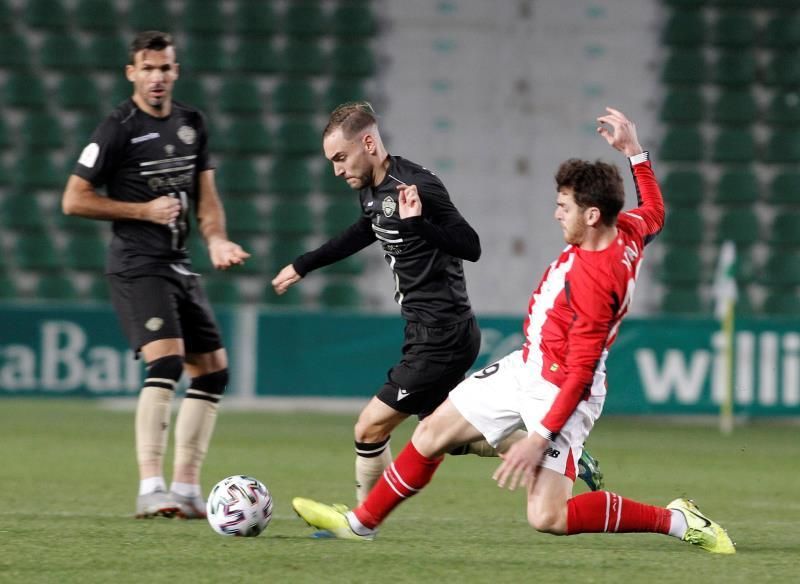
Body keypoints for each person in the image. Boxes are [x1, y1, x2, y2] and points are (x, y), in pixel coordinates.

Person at [292, 108, 736, 554]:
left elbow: (580, 373)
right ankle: (361, 523)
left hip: (559, 388)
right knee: (430, 435)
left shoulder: (597, 283)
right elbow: (655, 211)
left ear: (593, 214)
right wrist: (634, 151)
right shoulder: (627, 230)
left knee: (548, 517)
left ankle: (677, 520)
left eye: (565, 207)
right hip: (527, 366)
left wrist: (538, 439)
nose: (556, 214)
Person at [273, 102, 603, 504]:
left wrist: (418, 225)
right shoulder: (373, 192)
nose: (337, 170)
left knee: (369, 428)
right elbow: (365, 230)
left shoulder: (418, 186)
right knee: (440, 430)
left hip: (443, 334)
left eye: (341, 158)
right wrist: (304, 264)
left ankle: (360, 522)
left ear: (368, 142)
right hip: (426, 330)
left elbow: (472, 245)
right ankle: (557, 453)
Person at [62, 31, 249, 519]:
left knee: (213, 372)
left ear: (176, 71)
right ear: (131, 74)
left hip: (180, 264)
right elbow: (74, 198)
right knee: (165, 364)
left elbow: (207, 198)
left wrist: (216, 240)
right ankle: (150, 486)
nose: (157, 77)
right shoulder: (117, 127)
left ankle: (186, 489)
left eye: (165, 67)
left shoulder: (192, 123)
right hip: (136, 265)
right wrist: (142, 212)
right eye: (147, 68)